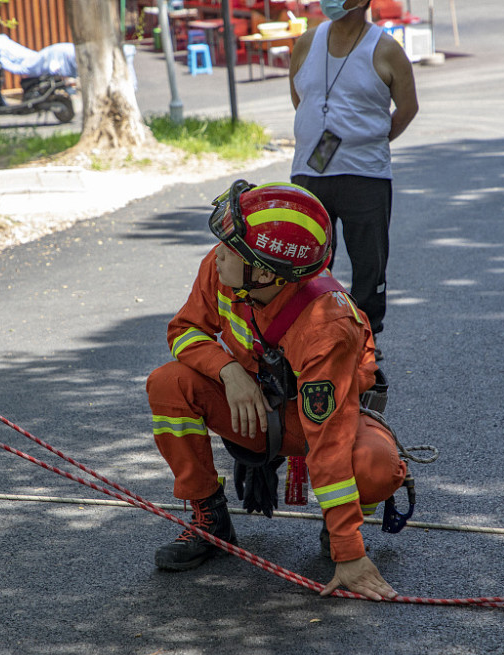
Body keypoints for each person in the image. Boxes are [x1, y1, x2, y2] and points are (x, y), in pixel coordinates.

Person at [146, 180, 408, 601]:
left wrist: (348, 551)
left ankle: (345, 520)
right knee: (167, 384)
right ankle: (210, 520)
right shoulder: (226, 268)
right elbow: (185, 330)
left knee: (373, 465)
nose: (218, 253)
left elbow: (329, 439)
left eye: (231, 248)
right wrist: (228, 370)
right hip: (255, 405)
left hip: (320, 421)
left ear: (266, 271)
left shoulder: (326, 325)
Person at [289, 0, 419, 358]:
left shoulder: (386, 49)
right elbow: (301, 98)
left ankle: (364, 343)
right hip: (310, 170)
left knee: (368, 263)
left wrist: (372, 139)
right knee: (307, 259)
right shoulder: (306, 43)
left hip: (365, 174)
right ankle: (309, 337)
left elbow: (408, 108)